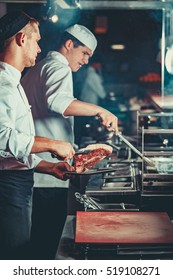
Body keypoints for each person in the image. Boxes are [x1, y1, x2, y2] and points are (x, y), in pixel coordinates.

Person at [21, 24, 119, 259]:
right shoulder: (58, 67)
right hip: (47, 175)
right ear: (68, 45)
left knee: (35, 245)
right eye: (84, 53)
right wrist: (100, 111)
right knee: (45, 246)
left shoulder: (40, 67)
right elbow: (59, 102)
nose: (86, 60)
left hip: (35, 169)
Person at [0, 10, 75, 260]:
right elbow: (2, 138)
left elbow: (13, 152)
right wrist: (52, 144)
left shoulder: (14, 82)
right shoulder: (2, 83)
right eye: (37, 40)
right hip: (8, 188)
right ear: (22, 39)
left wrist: (48, 167)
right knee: (13, 259)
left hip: (18, 182)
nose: (40, 49)